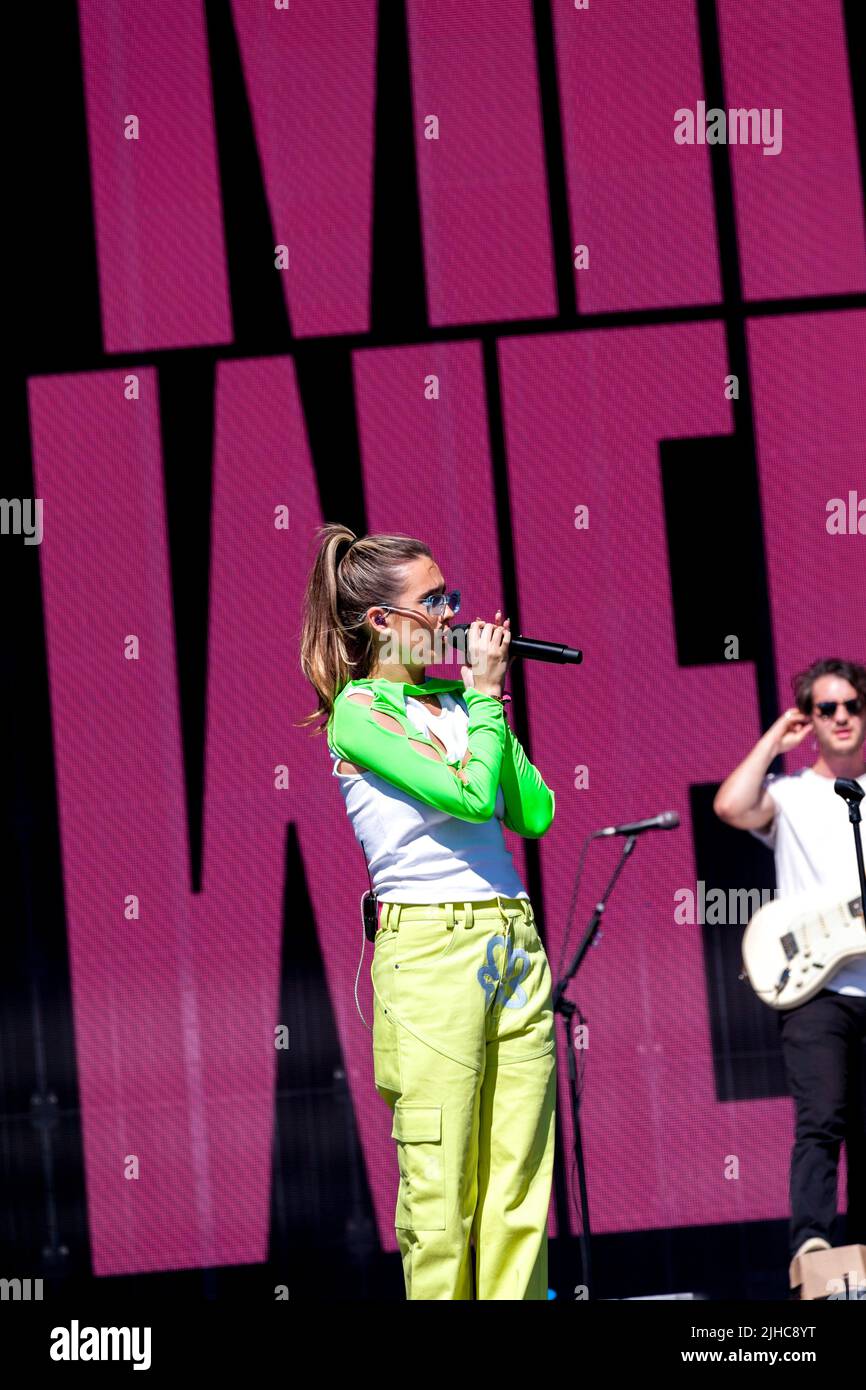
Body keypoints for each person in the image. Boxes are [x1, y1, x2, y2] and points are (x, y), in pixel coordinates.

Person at [299, 524, 557, 1300]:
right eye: (432, 601)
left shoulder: (458, 700)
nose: (450, 615)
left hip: (510, 937)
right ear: (381, 619)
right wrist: (482, 699)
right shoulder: (359, 712)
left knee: (517, 1181)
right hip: (431, 946)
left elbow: (532, 811)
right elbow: (469, 796)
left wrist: (487, 702)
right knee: (441, 1191)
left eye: (452, 598)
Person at [714, 658, 866, 1280]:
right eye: (827, 708)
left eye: (853, 705)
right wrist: (778, 735)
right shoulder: (792, 794)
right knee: (823, 1116)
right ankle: (813, 1248)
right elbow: (730, 805)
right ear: (812, 716)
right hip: (818, 986)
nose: (842, 718)